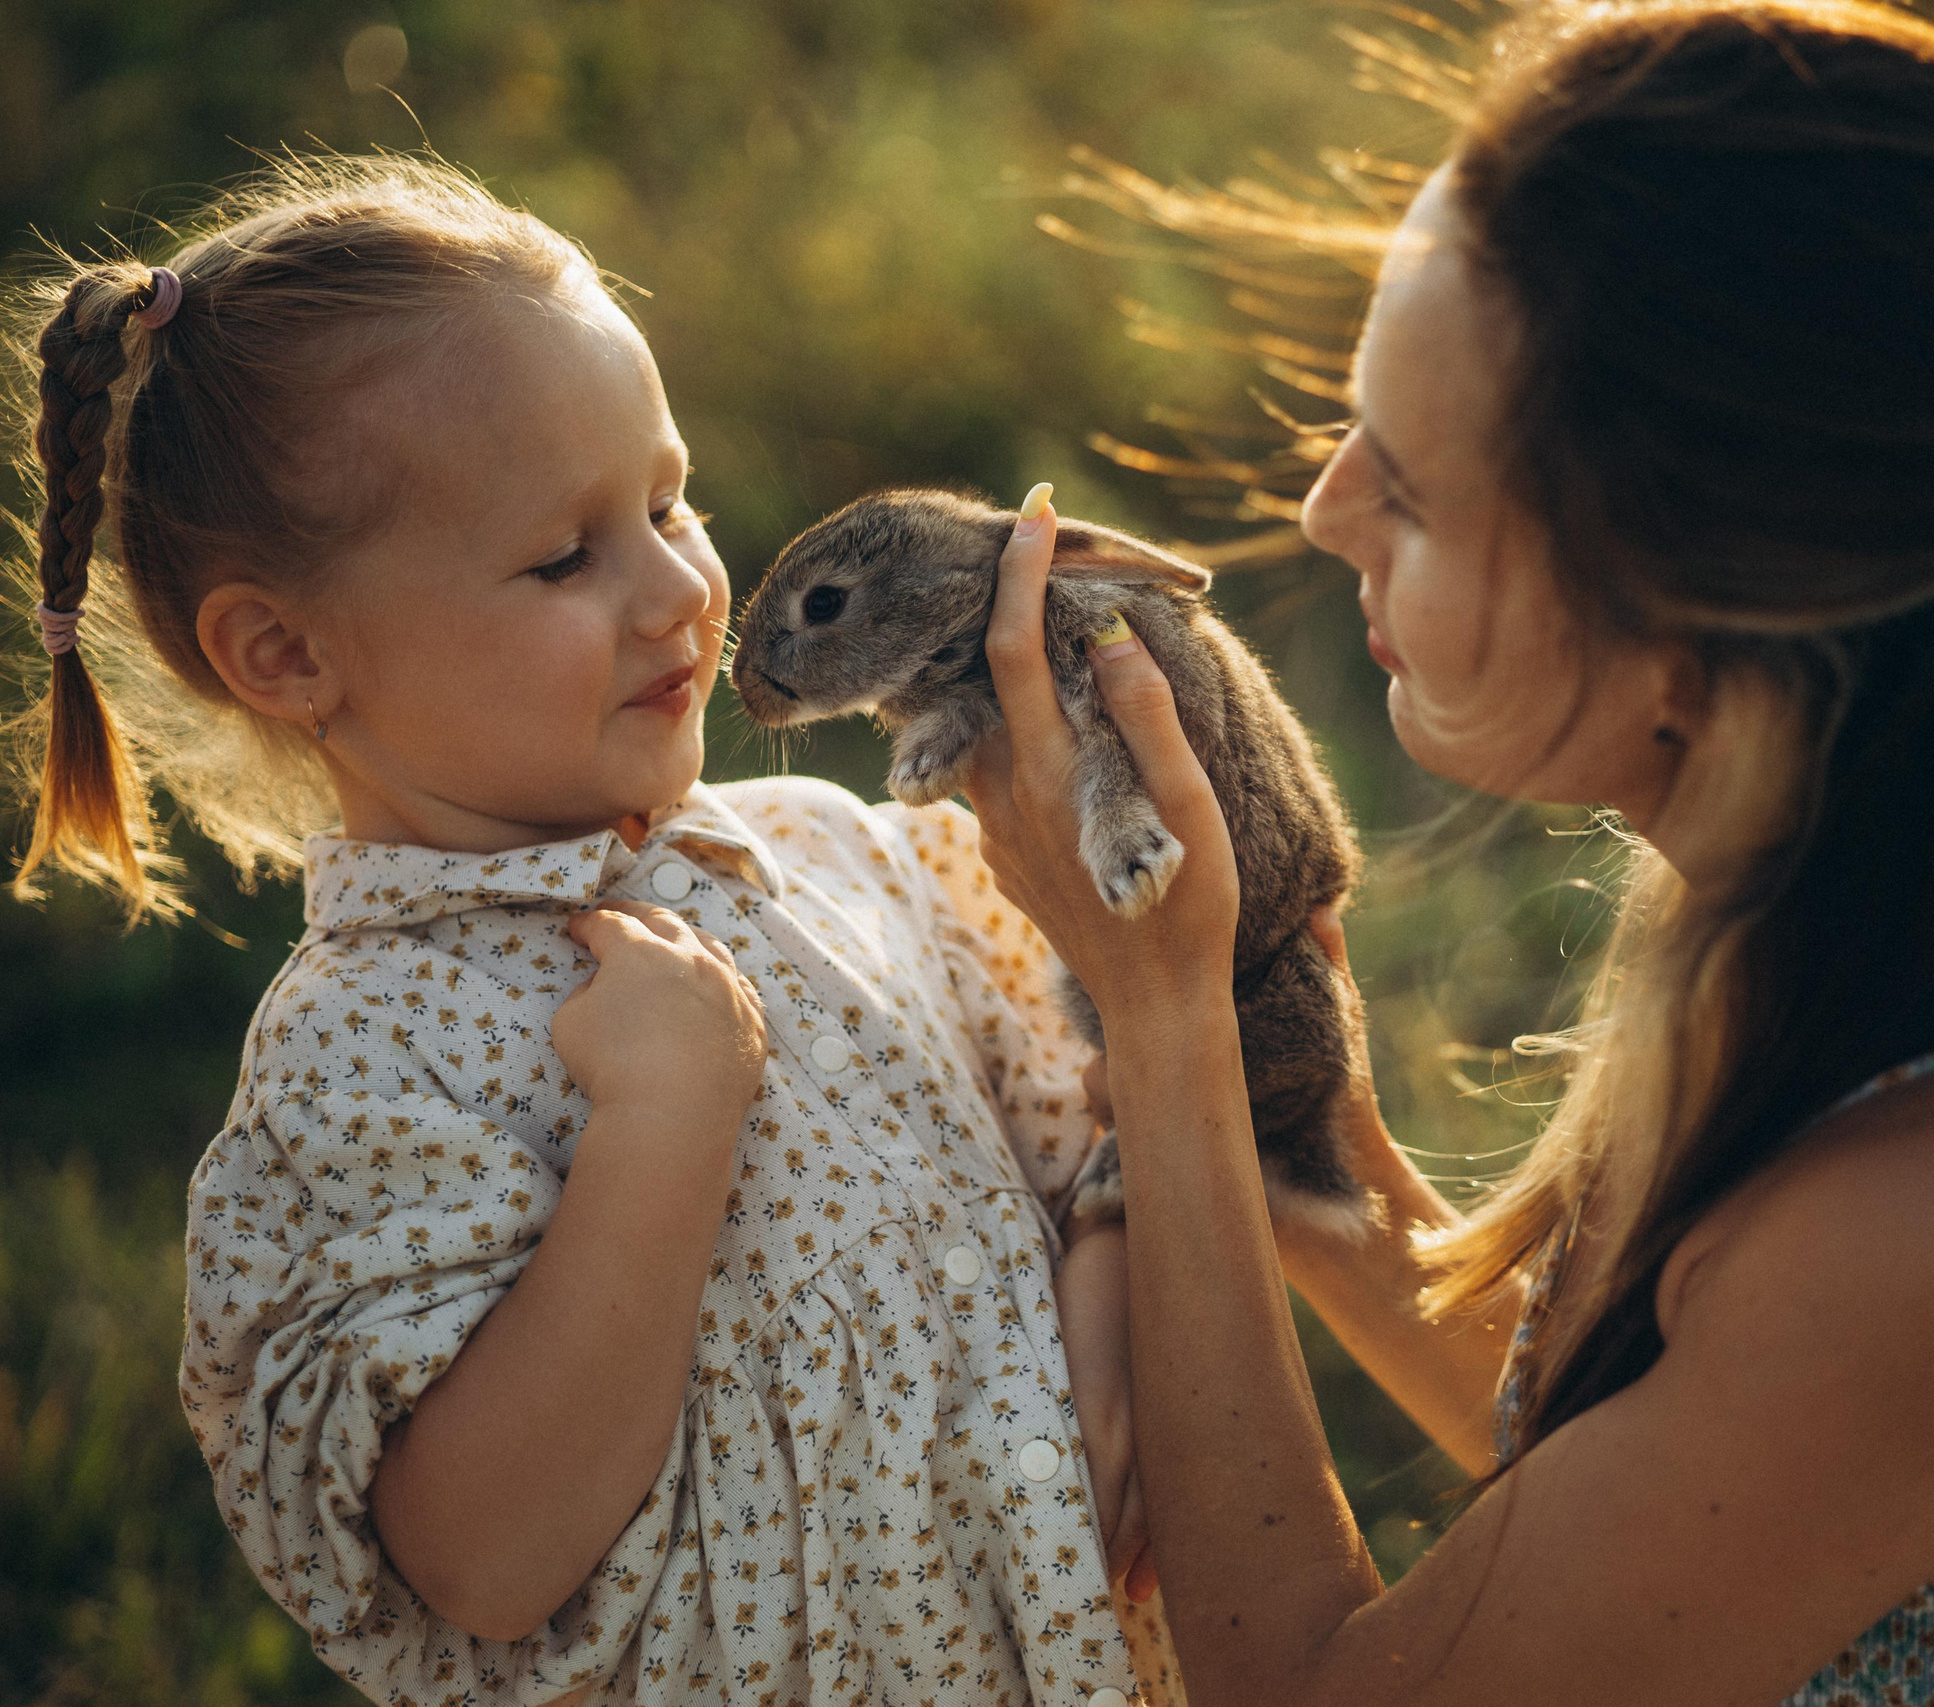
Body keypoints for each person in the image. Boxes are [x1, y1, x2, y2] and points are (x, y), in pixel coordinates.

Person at [965, 2, 1934, 1702]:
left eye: (1413, 491)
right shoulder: (1888, 927)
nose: (1330, 508)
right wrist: (1322, 1175)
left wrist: (1165, 1009)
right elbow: (1697, 1473)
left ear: (1694, 625)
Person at [8, 157, 1175, 1706]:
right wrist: (665, 1123)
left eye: (668, 499)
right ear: (285, 652)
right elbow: (487, 1561)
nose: (681, 590)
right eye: (567, 557)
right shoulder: (369, 1051)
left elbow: (1077, 1136)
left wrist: (1107, 1375)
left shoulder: (844, 860)